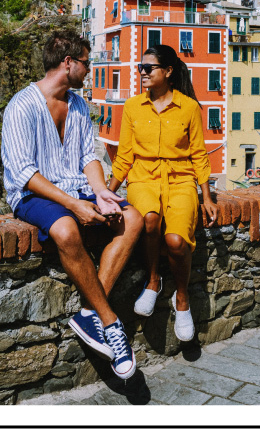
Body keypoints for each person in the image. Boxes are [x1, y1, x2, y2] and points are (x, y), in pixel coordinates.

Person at [1, 29, 144, 379]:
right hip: (33, 194)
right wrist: (74, 205)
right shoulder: (21, 105)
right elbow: (24, 172)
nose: (89, 69)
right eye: (86, 62)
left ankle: (89, 314)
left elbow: (87, 156)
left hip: (75, 188)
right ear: (68, 63)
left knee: (134, 219)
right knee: (65, 228)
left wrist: (100, 193)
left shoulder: (78, 105)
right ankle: (110, 322)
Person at [107, 44, 219, 342]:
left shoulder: (189, 107)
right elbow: (124, 155)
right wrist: (106, 194)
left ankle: (182, 300)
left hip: (181, 181)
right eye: (140, 68)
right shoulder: (132, 107)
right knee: (150, 220)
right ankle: (154, 280)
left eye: (148, 68)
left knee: (176, 240)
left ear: (168, 72)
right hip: (142, 179)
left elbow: (199, 154)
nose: (142, 73)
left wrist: (206, 198)